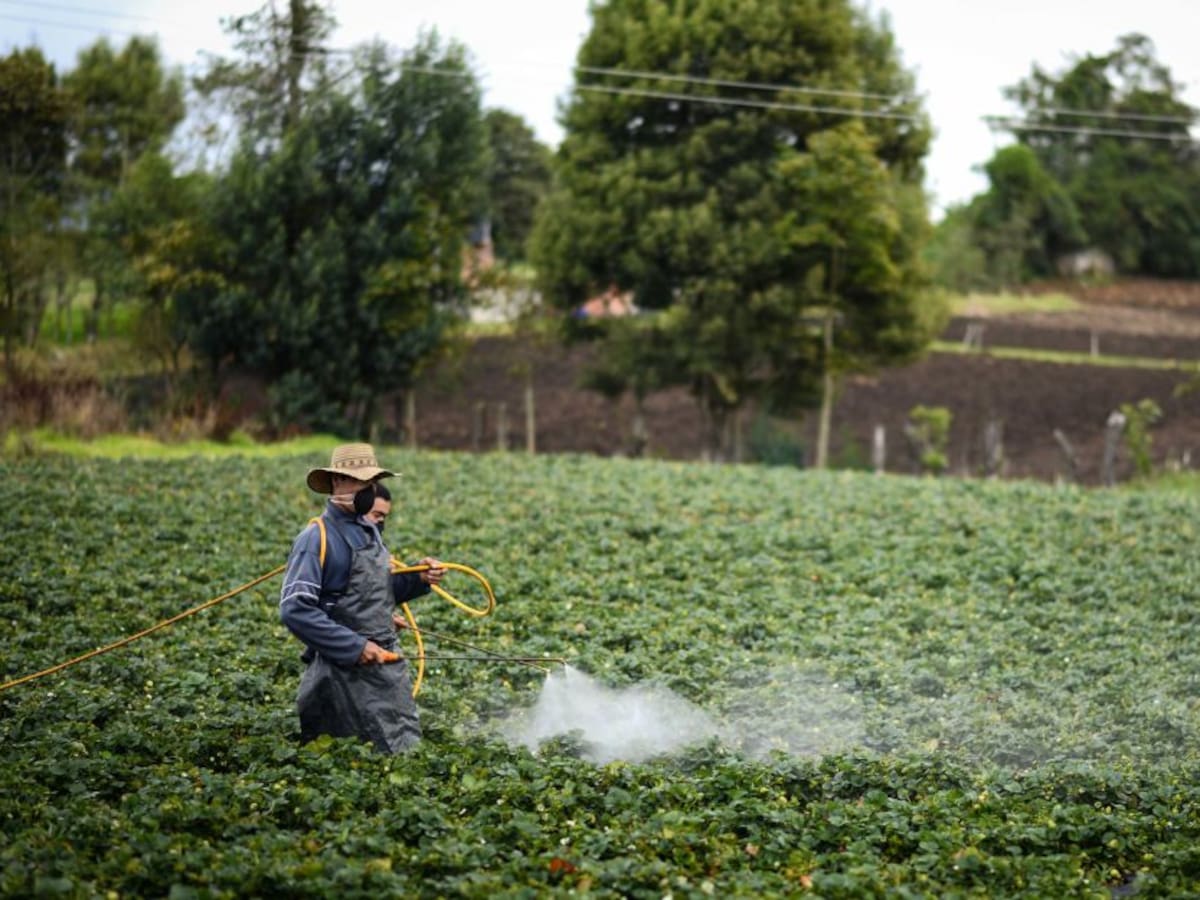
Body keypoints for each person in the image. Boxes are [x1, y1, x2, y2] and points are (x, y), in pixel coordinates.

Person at [279, 442, 445, 753]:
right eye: (361, 482)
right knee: (352, 761)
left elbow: (375, 590)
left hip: (385, 671)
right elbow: (295, 610)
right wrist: (355, 646)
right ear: (336, 482)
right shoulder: (316, 537)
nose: (368, 490)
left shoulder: (368, 532)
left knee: (405, 755)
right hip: (342, 678)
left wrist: (418, 578)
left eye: (370, 483)